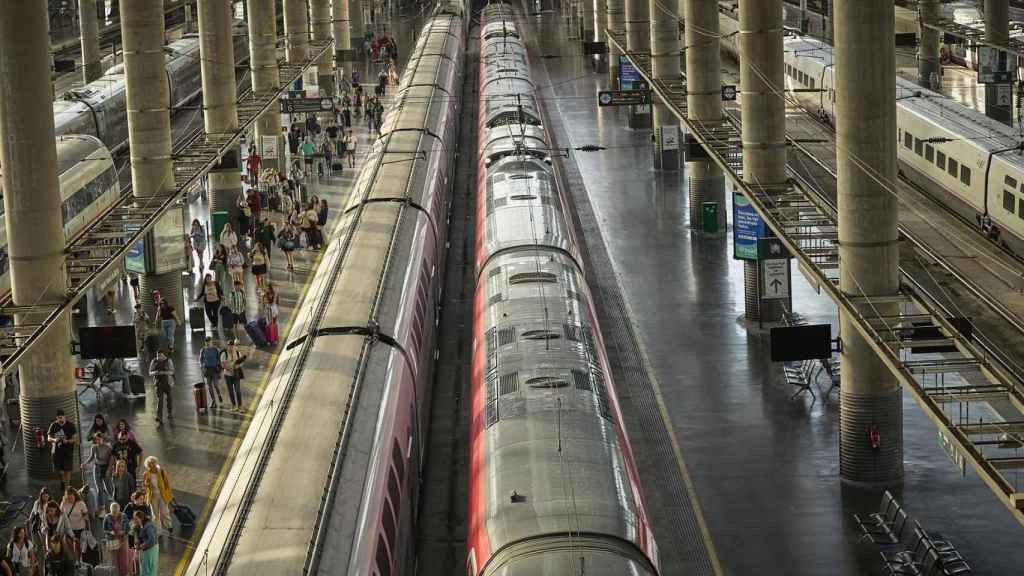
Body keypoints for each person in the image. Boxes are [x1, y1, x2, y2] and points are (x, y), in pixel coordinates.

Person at [83, 431, 113, 518]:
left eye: (99, 439)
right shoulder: (94, 447)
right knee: (99, 489)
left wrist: (109, 469)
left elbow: (112, 458)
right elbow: (91, 457)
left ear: (103, 439)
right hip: (97, 468)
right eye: (96, 439)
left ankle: (112, 504)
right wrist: (85, 463)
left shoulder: (108, 447)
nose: (98, 441)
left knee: (108, 487)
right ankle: (102, 508)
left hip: (106, 467)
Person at [46, 410, 76, 490]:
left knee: (68, 469)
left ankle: (67, 487)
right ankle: (63, 481)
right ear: (56, 418)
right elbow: (48, 438)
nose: (60, 420)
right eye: (58, 418)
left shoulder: (70, 425)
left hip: (68, 452)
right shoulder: (53, 425)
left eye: (61, 417)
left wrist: (68, 441)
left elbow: (75, 439)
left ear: (64, 416)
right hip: (57, 452)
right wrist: (54, 440)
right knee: (60, 470)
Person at [142, 457, 173, 533]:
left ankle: (169, 526)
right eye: (150, 463)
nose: (152, 465)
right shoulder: (146, 474)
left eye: (153, 462)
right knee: (155, 515)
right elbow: (145, 485)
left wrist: (169, 495)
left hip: (162, 495)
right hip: (152, 497)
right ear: (148, 465)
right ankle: (158, 531)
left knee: (164, 512)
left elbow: (167, 484)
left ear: (156, 463)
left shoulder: (161, 472)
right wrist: (147, 483)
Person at [59, 487, 88, 560]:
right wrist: (63, 504)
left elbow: (85, 515)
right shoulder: (64, 503)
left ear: (75, 496)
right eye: (68, 498)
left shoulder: (81, 504)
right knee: (70, 547)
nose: (70, 500)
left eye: (71, 497)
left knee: (78, 547)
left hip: (80, 528)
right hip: (69, 529)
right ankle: (74, 561)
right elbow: (60, 515)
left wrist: (88, 528)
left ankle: (78, 561)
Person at [103, 502, 132, 576]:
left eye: (116, 511)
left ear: (119, 510)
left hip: (123, 540)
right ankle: (116, 574)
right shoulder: (107, 517)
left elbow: (128, 529)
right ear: (110, 510)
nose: (114, 513)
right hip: (112, 540)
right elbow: (104, 530)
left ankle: (125, 574)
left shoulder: (124, 516)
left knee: (124, 559)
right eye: (113, 511)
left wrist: (124, 532)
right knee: (114, 560)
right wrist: (110, 532)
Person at [148, 349, 175, 424]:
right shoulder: (154, 361)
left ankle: (169, 412)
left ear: (163, 355)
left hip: (167, 383)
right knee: (160, 400)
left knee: (169, 398)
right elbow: (150, 372)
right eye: (158, 356)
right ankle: (159, 417)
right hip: (158, 383)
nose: (159, 358)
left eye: (160, 356)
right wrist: (155, 372)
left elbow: (172, 371)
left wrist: (164, 372)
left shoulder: (168, 361)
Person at [221, 340, 247, 412]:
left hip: (236, 375)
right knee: (231, 391)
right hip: (228, 375)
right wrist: (230, 368)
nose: (231, 348)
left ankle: (240, 406)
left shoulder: (238, 353)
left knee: (237, 391)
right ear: (227, 346)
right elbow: (222, 365)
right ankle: (233, 405)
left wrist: (237, 366)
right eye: (229, 346)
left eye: (232, 346)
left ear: (234, 346)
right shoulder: (224, 354)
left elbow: (242, 362)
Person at [199, 336, 225, 411]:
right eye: (206, 342)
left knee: (216, 385)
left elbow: (219, 360)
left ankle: (219, 395)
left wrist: (221, 370)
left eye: (209, 341)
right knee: (209, 386)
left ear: (211, 342)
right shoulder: (203, 350)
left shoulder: (215, 349)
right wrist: (202, 366)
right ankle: (214, 401)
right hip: (207, 370)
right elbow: (200, 360)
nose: (207, 343)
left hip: (215, 370)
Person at [133, 511, 158, 576]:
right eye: (134, 519)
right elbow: (138, 538)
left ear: (141, 518)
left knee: (149, 567)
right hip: (146, 549)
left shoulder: (148, 526)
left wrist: (141, 546)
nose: (134, 521)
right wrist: (138, 546)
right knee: (145, 567)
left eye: (136, 519)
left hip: (151, 548)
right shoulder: (139, 526)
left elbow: (152, 539)